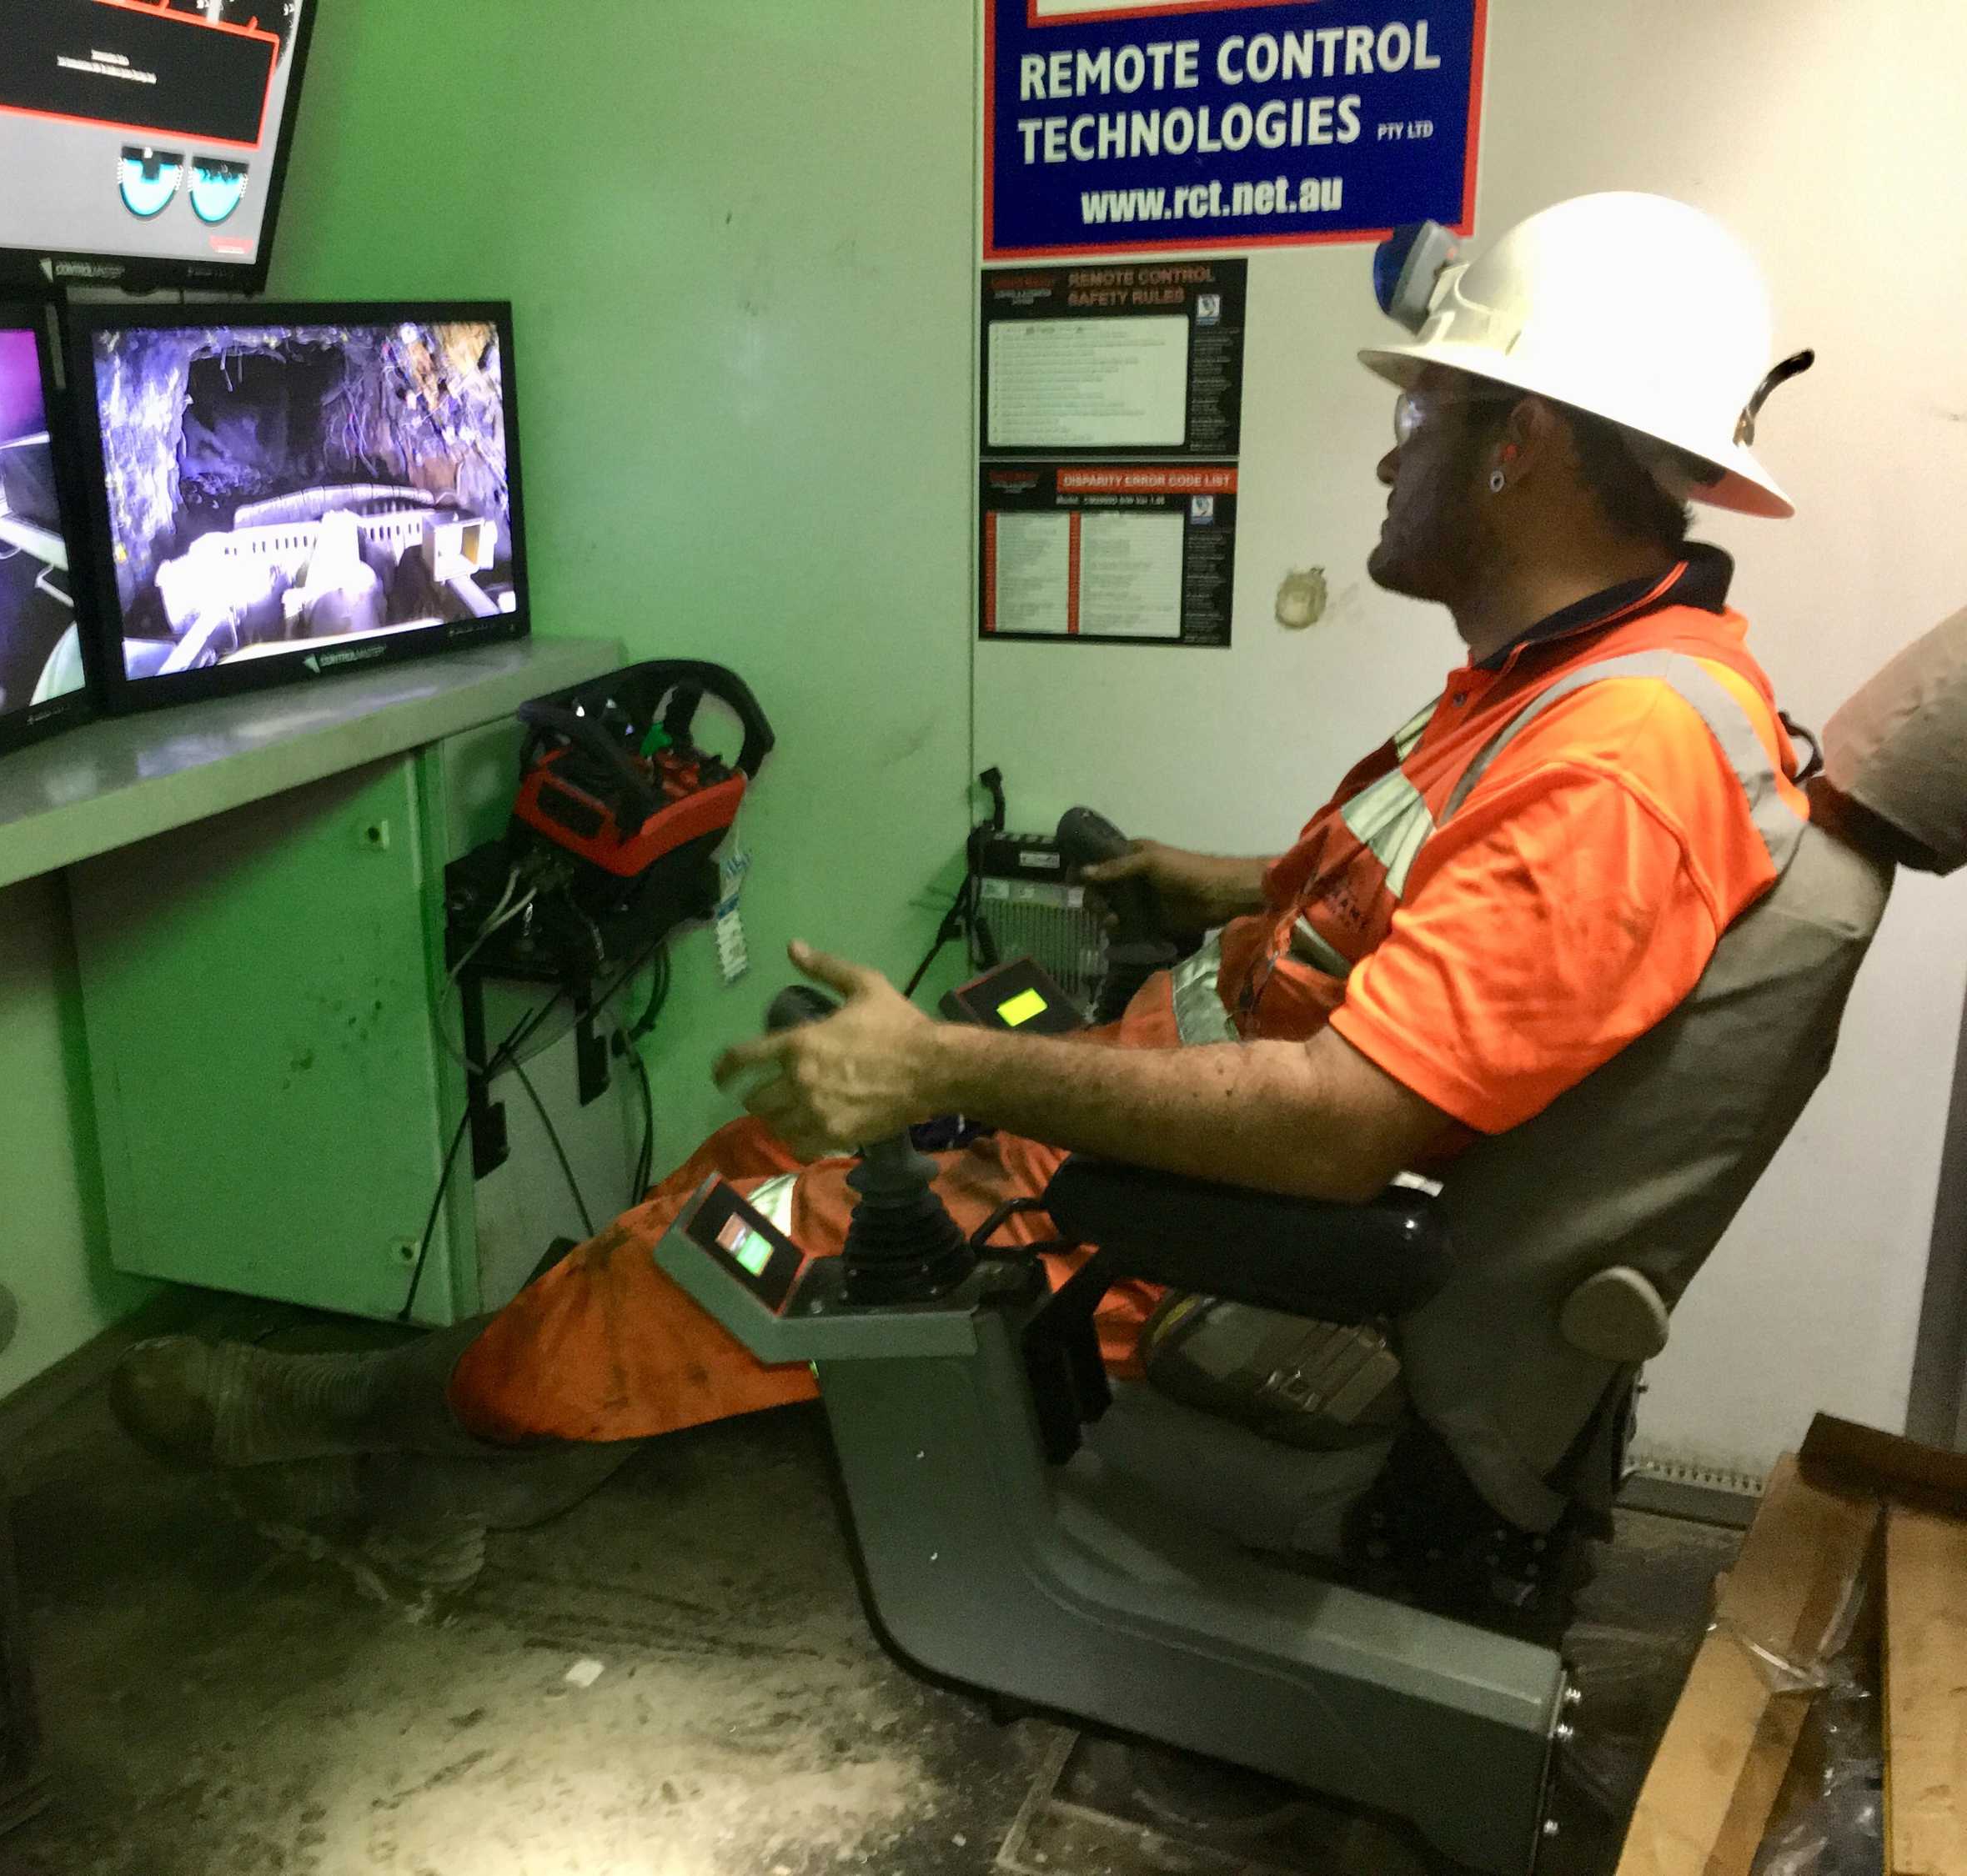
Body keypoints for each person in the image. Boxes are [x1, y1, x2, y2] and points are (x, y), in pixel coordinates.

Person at [111, 193, 1818, 1574]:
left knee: (722, 1242)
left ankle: (432, 1405)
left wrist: (959, 1069)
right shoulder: (1598, 683)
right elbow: (1406, 916)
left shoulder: (1618, 765)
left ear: (1519, 443)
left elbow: (1346, 1123)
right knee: (788, 1127)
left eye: (1422, 409)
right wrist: (1186, 884)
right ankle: (545, 1385)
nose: (1391, 454)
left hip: (1189, 1216)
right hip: (1152, 1089)